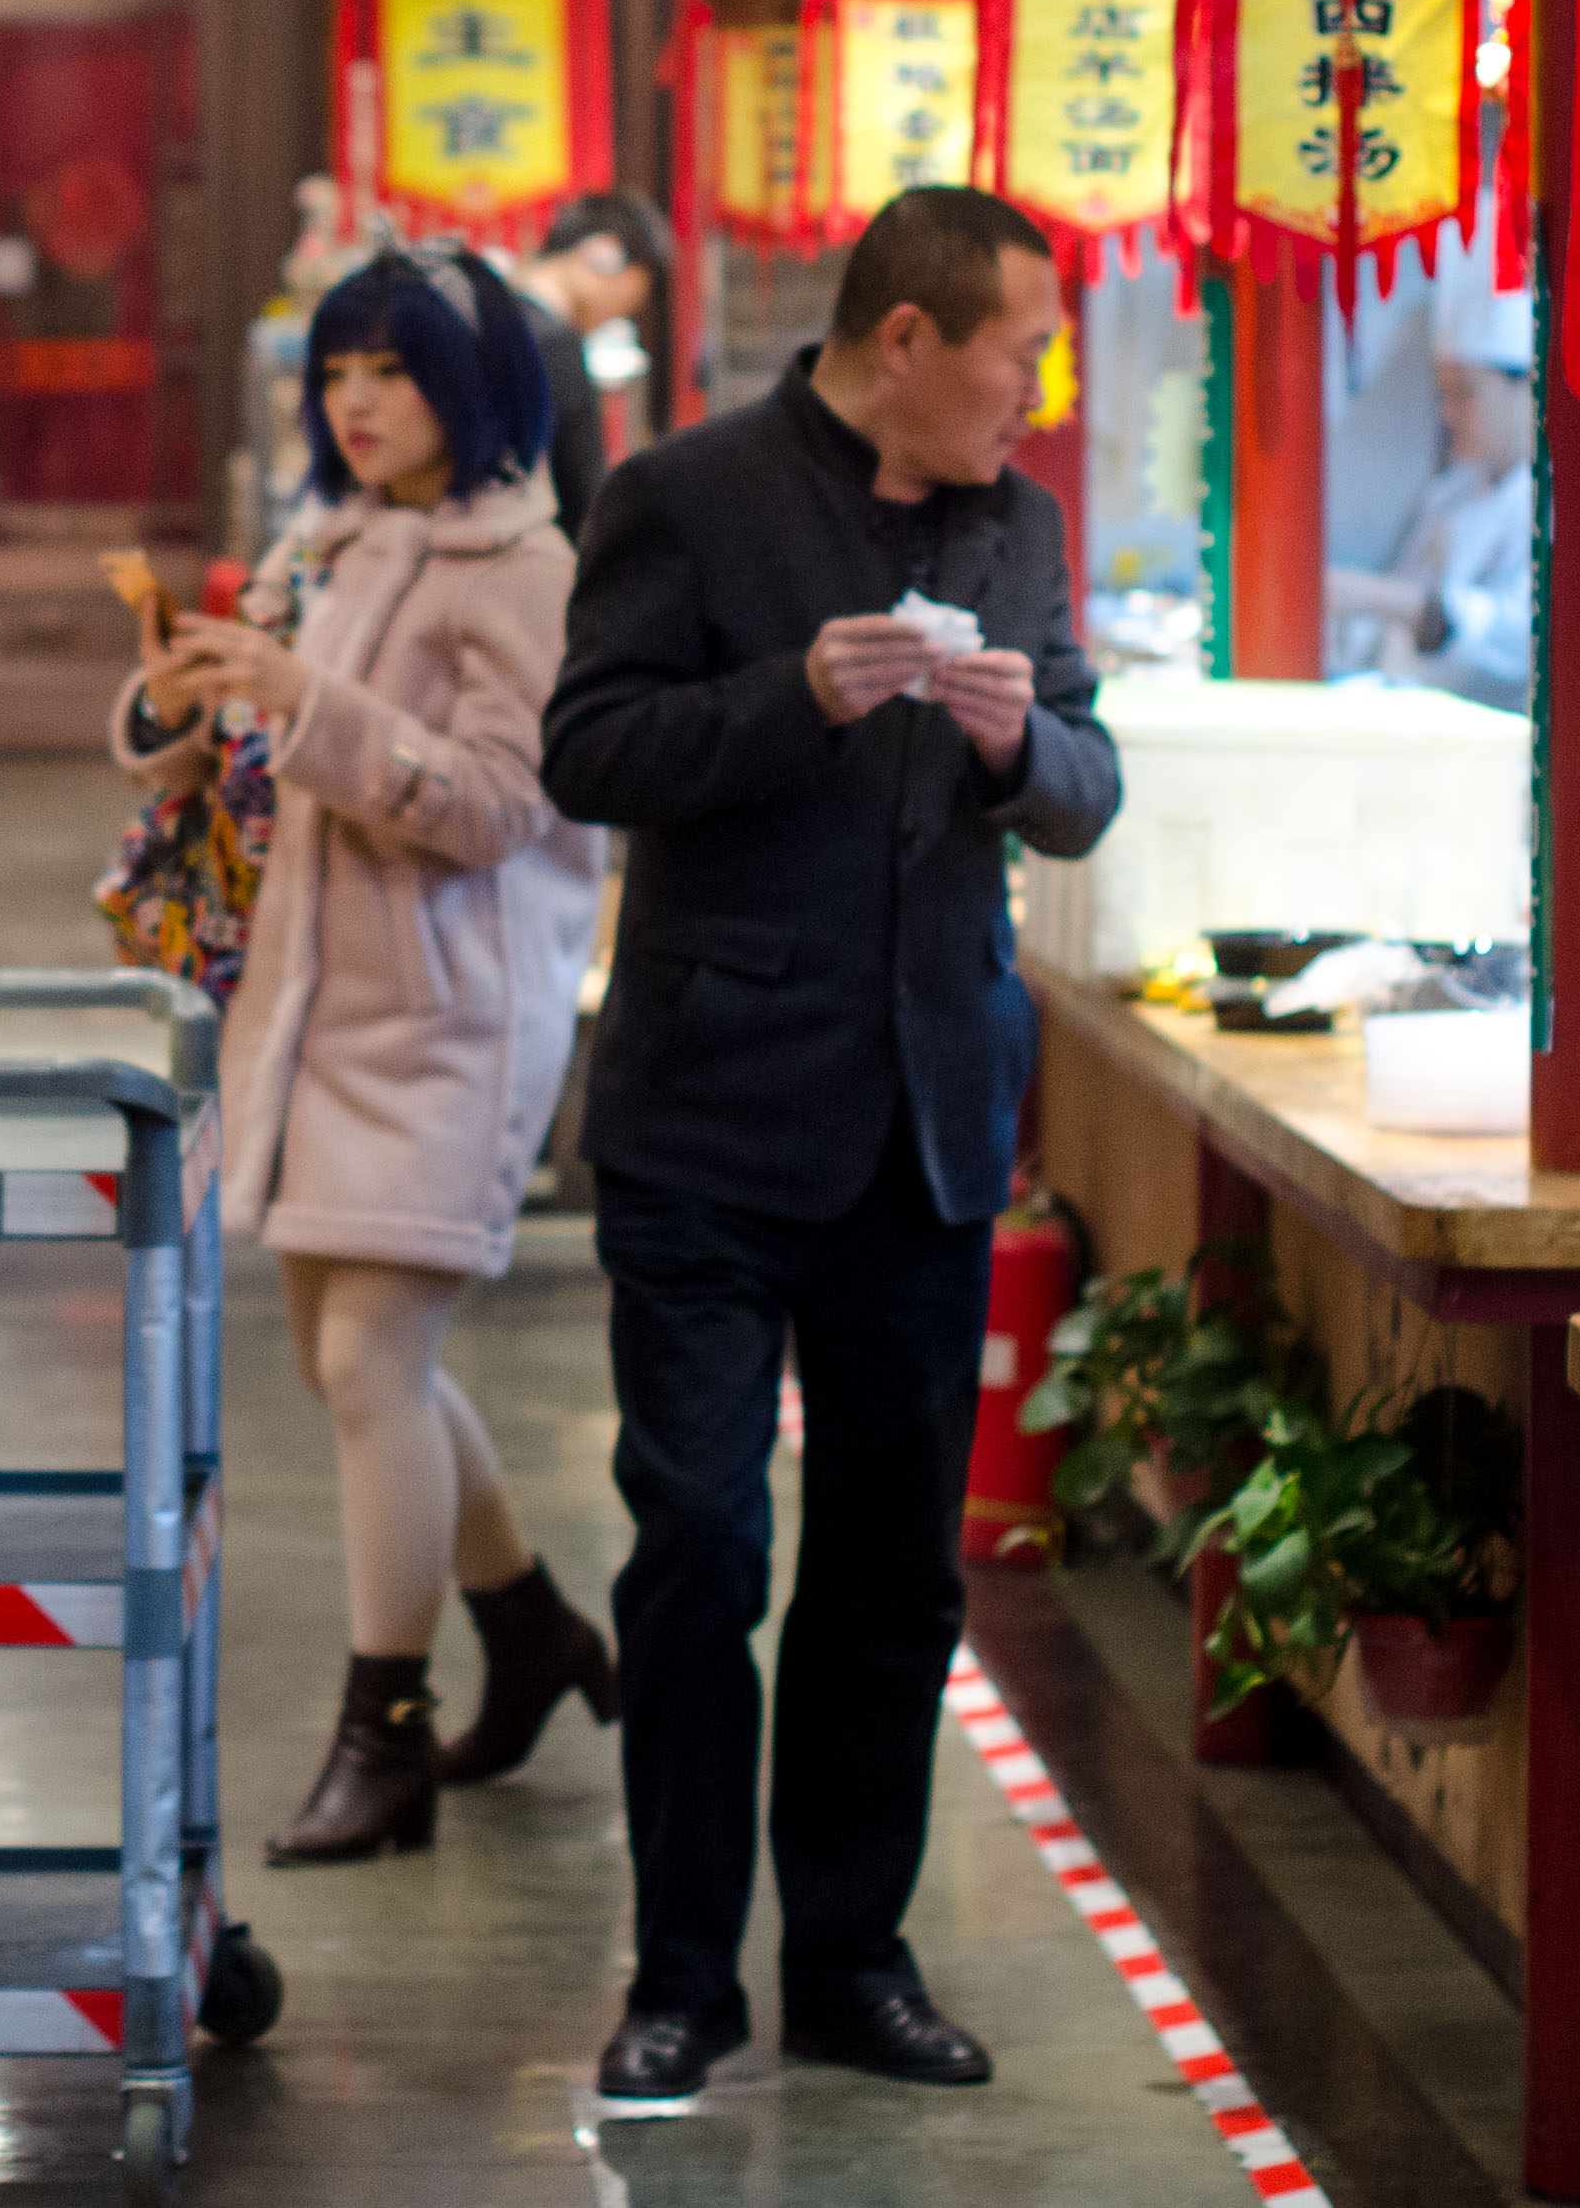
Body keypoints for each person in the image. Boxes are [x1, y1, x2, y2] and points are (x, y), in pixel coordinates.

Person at [540, 183, 1120, 2111]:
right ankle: (682, 1971)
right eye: (1013, 353)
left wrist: (1011, 743)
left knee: (892, 1575)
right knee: (699, 1544)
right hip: (707, 1119)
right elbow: (589, 754)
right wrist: (787, 695)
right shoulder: (686, 497)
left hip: (927, 1126)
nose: (1031, 396)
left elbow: (1084, 789)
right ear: (902, 344)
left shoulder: (1018, 527)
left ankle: (852, 1960)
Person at [119, 244, 617, 1867]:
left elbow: (510, 805)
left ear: (473, 390)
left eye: (391, 371)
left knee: (364, 1366)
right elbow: (246, 751)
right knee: (358, 1355)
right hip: (308, 1006)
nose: (356, 400)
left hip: (451, 1016)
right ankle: (528, 1624)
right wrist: (183, 697)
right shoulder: (317, 542)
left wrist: (307, 702)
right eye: (339, 372)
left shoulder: (521, 565)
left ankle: (380, 1728)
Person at [1328, 289, 1534, 711]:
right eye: (1444, 394)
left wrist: (1375, 596)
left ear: (1527, 389)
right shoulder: (1451, 493)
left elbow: (1516, 642)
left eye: (1465, 393)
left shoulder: (1552, 503)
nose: (1448, 413)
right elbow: (1389, 625)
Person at [498, 192, 671, 540]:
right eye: (634, 298)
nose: (623, 312)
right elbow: (583, 491)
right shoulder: (555, 343)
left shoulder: (492, 320)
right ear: (607, 255)